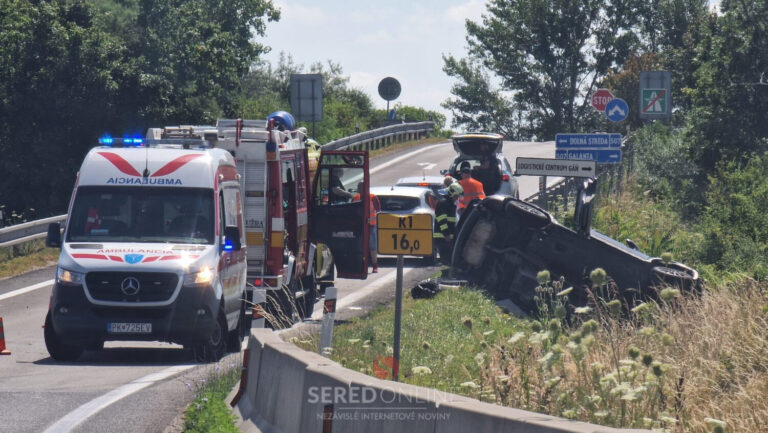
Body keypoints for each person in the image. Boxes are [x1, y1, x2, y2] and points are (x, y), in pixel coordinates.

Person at [353, 182, 381, 273]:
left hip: (371, 225)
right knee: (359, 246)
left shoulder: (373, 197)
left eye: (360, 187)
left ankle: (375, 266)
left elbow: (378, 210)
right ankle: (361, 266)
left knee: (372, 246)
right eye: (358, 187)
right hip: (359, 226)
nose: (359, 189)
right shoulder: (355, 198)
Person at [434, 181, 462, 265]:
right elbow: (442, 221)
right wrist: (446, 234)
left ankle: (448, 274)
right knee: (446, 259)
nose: (457, 198)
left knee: (449, 258)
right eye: (456, 196)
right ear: (451, 194)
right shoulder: (443, 204)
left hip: (447, 237)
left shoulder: (449, 204)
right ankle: (445, 275)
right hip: (442, 237)